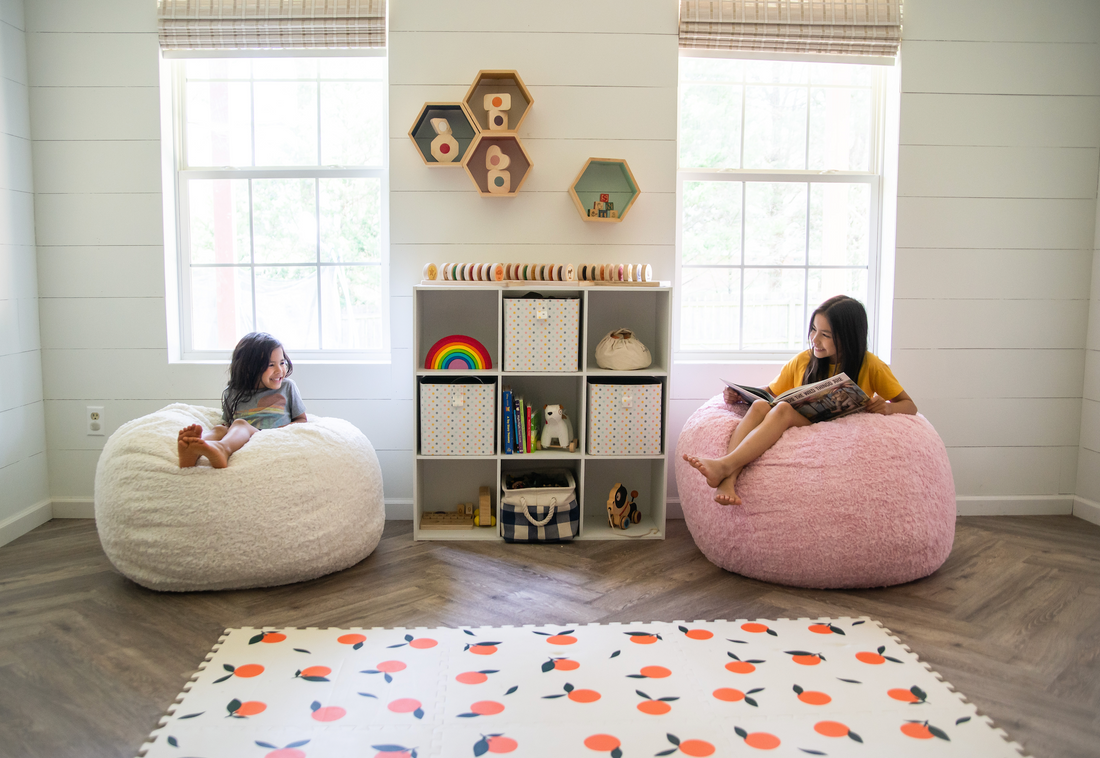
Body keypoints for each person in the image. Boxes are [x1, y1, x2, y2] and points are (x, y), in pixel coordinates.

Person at [682, 295, 916, 506]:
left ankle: (724, 466)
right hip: (801, 414)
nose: (815, 339)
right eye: (813, 329)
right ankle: (727, 479)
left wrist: (885, 408)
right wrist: (739, 394)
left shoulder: (871, 364)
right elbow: (770, 392)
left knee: (782, 409)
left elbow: (909, 406)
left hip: (826, 424)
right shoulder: (803, 360)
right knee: (761, 405)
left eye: (825, 335)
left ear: (848, 338)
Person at [178, 332, 308, 468]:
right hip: (239, 437)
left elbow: (301, 420)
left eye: (282, 362)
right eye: (271, 365)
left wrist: (281, 430)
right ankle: (192, 448)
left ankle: (222, 449)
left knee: (240, 424)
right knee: (219, 429)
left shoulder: (287, 387)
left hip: (264, 435)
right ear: (249, 368)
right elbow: (228, 423)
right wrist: (222, 429)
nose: (279, 370)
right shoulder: (233, 392)